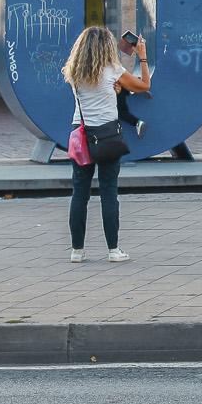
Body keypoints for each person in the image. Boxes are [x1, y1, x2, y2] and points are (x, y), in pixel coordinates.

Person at [63, 24, 147, 263]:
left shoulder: (74, 71)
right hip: (108, 135)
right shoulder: (113, 70)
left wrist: (115, 90)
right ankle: (113, 250)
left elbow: (95, 89)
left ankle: (77, 251)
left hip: (81, 133)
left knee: (79, 193)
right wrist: (143, 56)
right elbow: (144, 87)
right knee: (109, 191)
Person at [114, 30, 195, 161]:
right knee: (121, 109)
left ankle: (136, 123)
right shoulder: (114, 70)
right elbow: (145, 84)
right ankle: (136, 122)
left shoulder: (80, 72)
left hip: (87, 127)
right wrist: (142, 56)